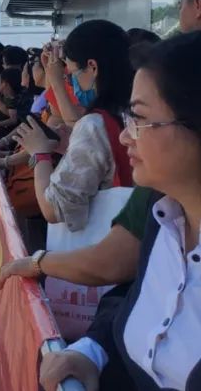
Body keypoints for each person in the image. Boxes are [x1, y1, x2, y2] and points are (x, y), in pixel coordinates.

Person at [37, 31, 201, 391]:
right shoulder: (163, 219)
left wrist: (39, 154)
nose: (127, 137)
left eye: (140, 120)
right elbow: (132, 297)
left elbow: (58, 211)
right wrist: (91, 350)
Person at [14, 20, 134, 232]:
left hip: (106, 245)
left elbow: (53, 209)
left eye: (71, 74)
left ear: (92, 67)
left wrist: (40, 155)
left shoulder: (94, 125)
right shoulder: (135, 112)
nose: (71, 83)